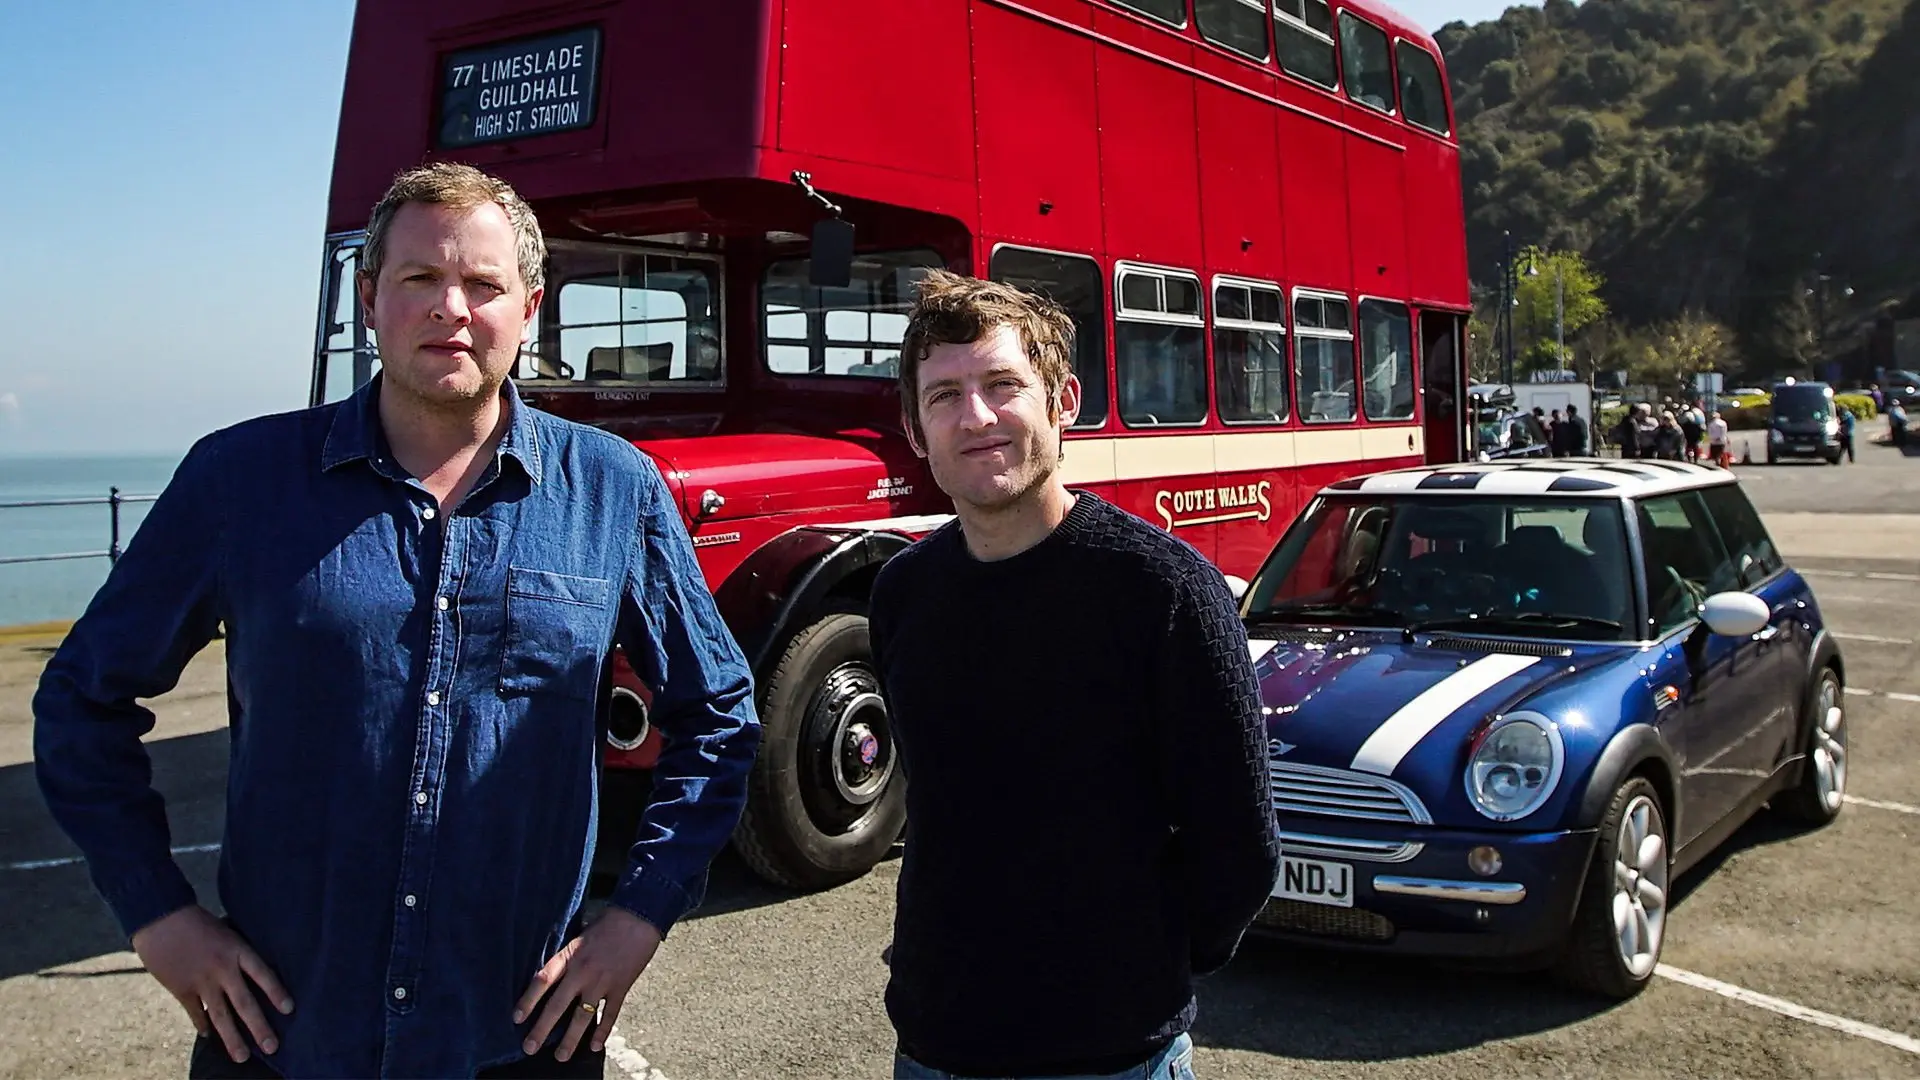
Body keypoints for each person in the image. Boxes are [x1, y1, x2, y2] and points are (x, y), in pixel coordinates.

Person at [32, 163, 761, 1079]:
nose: (451, 308)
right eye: (421, 278)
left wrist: (639, 915)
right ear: (371, 298)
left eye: (484, 284)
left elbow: (721, 715)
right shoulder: (239, 481)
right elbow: (79, 701)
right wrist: (157, 915)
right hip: (286, 1041)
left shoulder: (614, 490)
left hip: (521, 1041)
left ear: (530, 309)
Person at [869, 270, 1280, 1080]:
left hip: (1113, 1056)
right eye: (945, 395)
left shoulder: (1163, 591)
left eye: (1003, 385)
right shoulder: (903, 593)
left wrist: (1135, 966)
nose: (977, 417)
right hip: (934, 1048)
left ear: (1063, 402)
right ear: (916, 431)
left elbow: (1240, 848)